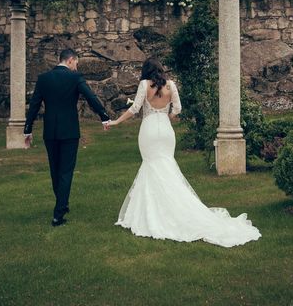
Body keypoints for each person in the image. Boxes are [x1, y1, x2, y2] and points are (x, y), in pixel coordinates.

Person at [108, 57, 261, 248]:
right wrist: (168, 116)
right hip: (165, 130)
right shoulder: (170, 85)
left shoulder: (144, 84)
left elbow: (135, 108)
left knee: (151, 166)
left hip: (148, 131)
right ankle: (173, 206)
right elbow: (178, 108)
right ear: (161, 69)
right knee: (167, 167)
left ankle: (152, 212)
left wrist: (115, 121)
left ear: (146, 70)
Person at [24, 49, 111, 227]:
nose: (76, 66)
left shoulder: (43, 78)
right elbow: (90, 97)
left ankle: (62, 203)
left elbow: (34, 105)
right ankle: (58, 213)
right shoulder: (75, 77)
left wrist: (28, 129)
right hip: (70, 131)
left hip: (50, 131)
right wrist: (104, 116)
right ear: (70, 60)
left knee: (55, 170)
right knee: (66, 171)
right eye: (76, 63)